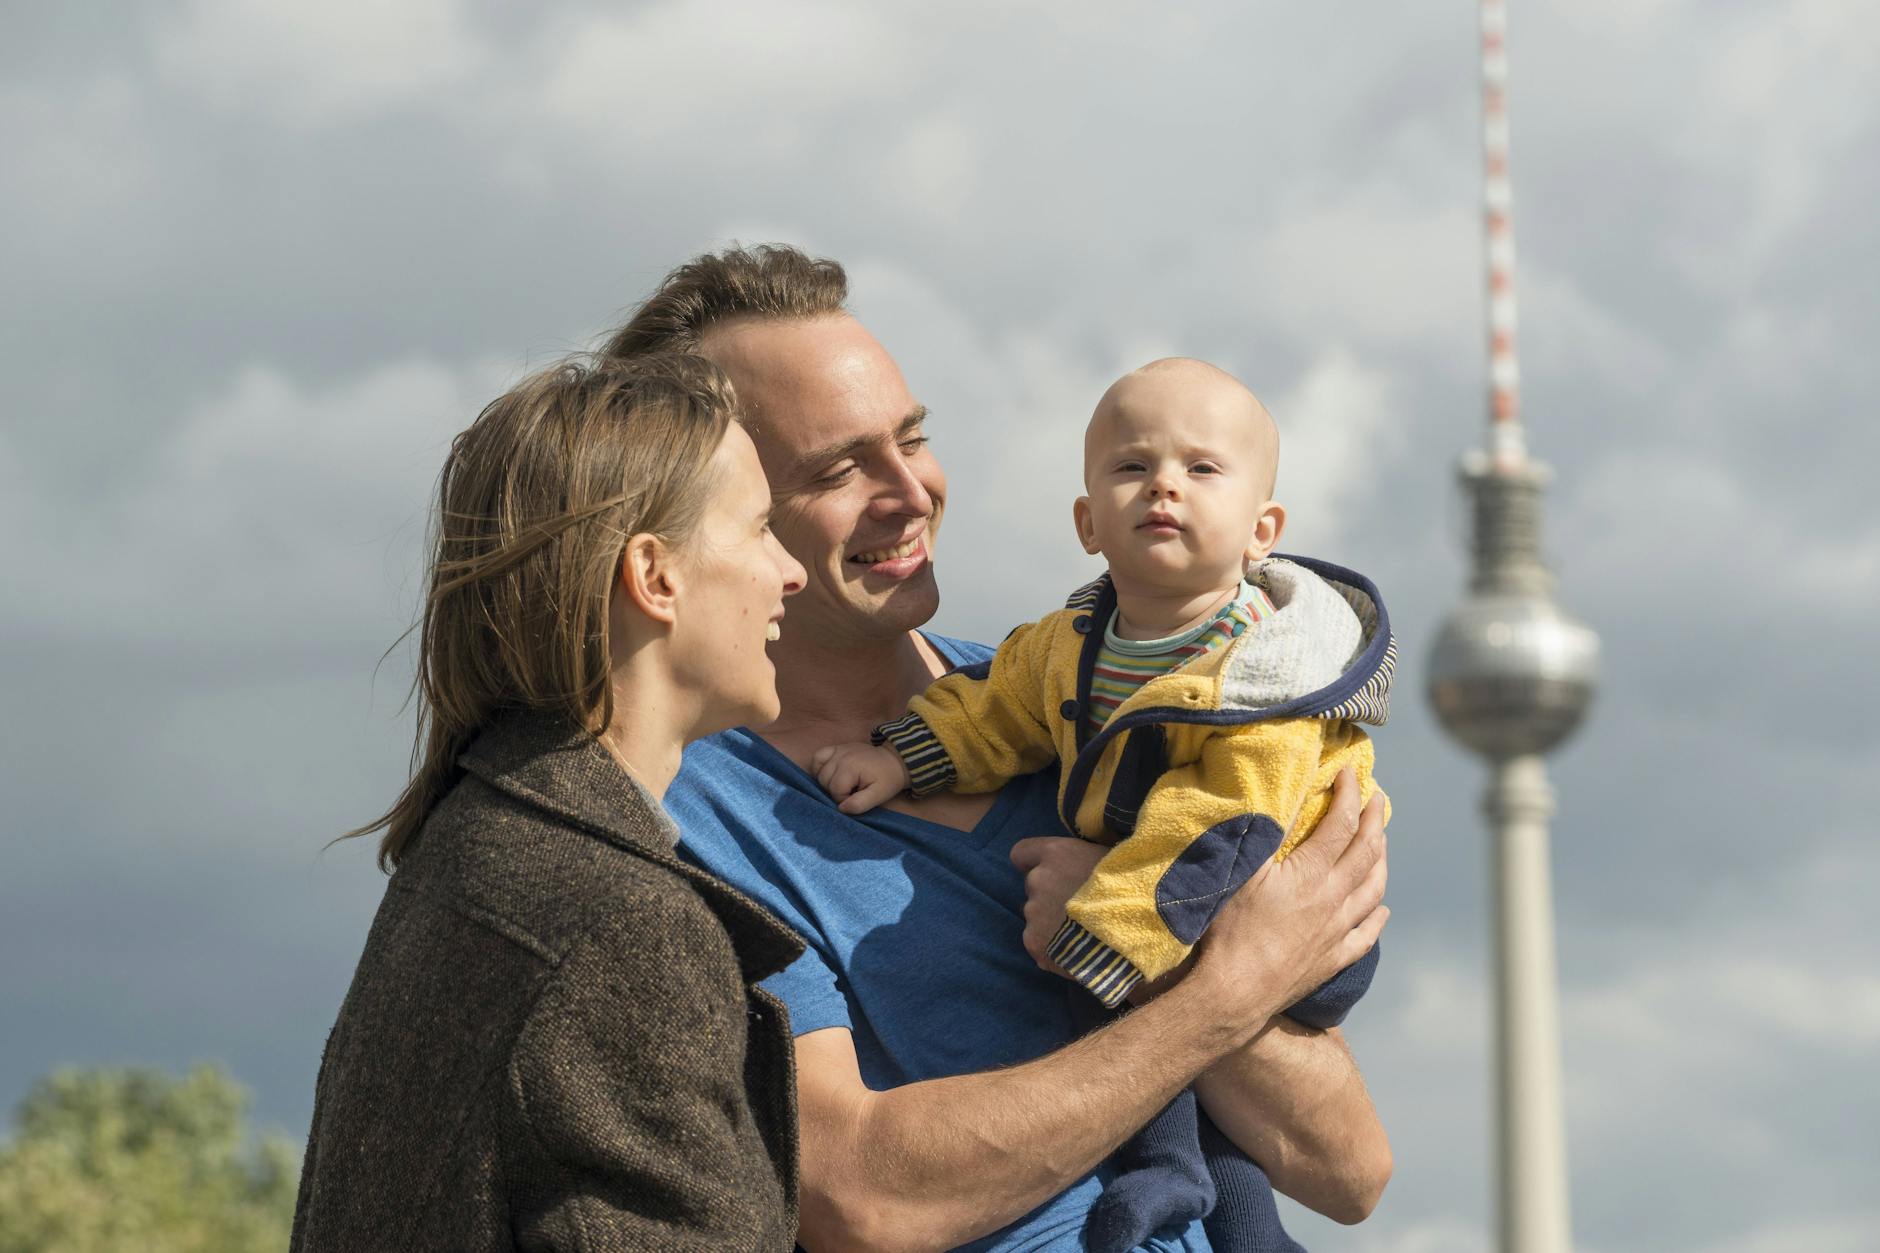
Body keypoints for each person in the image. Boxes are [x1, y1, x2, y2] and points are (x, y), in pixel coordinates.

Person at [604, 245, 1392, 1253]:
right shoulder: (684, 814)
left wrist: (1150, 956)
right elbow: (859, 1197)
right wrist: (1220, 987)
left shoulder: (1089, 700)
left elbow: (1347, 1166)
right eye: (837, 468)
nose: (908, 492)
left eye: (911, 438)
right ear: (722, 514)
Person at [810, 356, 1394, 1251]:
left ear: (1261, 531)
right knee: (1169, 1076)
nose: (1164, 484)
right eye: (1132, 467)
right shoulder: (1071, 644)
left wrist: (1114, 915)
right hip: (1164, 903)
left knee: (1164, 1062)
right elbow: (997, 706)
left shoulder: (1264, 680)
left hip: (1263, 888)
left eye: (1202, 469)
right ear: (1087, 522)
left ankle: (1193, 1199)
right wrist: (903, 756)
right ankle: (1184, 1194)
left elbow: (1226, 816)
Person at [292, 354, 811, 1251]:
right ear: (655, 576)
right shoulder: (622, 929)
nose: (789, 571)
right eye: (761, 529)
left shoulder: (473, 852)